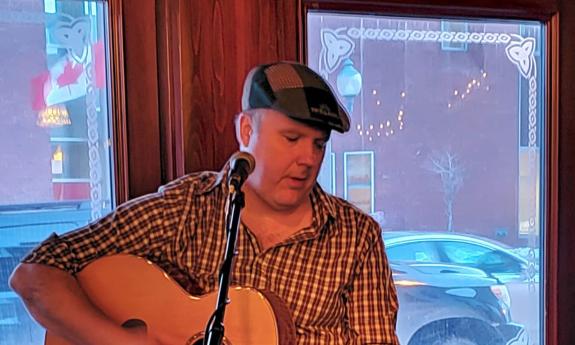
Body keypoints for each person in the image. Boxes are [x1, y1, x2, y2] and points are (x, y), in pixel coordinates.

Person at [10, 61, 399, 345]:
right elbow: (35, 275)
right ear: (247, 130)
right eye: (292, 138)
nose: (309, 158)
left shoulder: (356, 237)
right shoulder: (186, 209)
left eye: (319, 144)